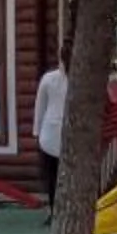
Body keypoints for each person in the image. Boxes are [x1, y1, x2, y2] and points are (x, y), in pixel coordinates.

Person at [32, 57, 67, 208]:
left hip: (53, 135)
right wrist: (37, 132)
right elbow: (40, 107)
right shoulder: (48, 79)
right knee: (53, 175)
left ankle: (58, 208)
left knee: (55, 175)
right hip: (51, 136)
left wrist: (37, 132)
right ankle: (55, 208)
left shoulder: (49, 79)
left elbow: (40, 107)